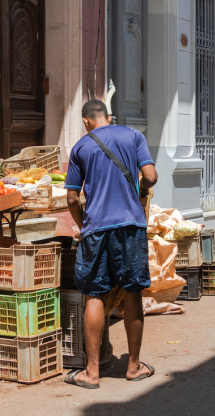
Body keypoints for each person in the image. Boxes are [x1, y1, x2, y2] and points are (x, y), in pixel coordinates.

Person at [64, 100, 158, 388]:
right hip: (130, 226)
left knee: (95, 295)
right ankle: (133, 366)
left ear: (85, 121)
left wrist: (85, 227)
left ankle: (92, 372)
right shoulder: (133, 136)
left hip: (96, 230)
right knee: (132, 293)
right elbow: (151, 176)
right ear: (109, 117)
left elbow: (71, 199)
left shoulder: (80, 147)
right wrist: (141, 190)